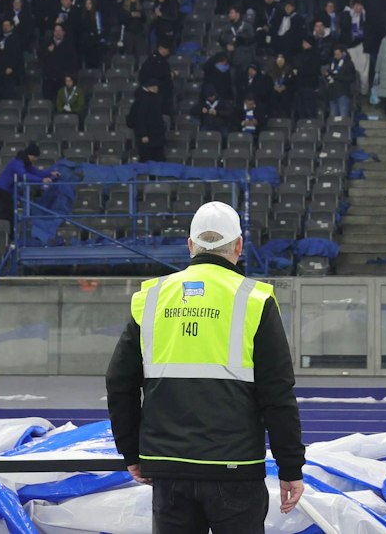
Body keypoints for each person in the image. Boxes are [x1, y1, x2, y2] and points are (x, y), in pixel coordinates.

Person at [106, 201, 306, 534]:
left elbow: (119, 382)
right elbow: (277, 393)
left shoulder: (152, 297)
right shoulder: (255, 300)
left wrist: (132, 451)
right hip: (236, 468)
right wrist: (290, 468)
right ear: (239, 247)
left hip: (169, 469)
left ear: (190, 246)